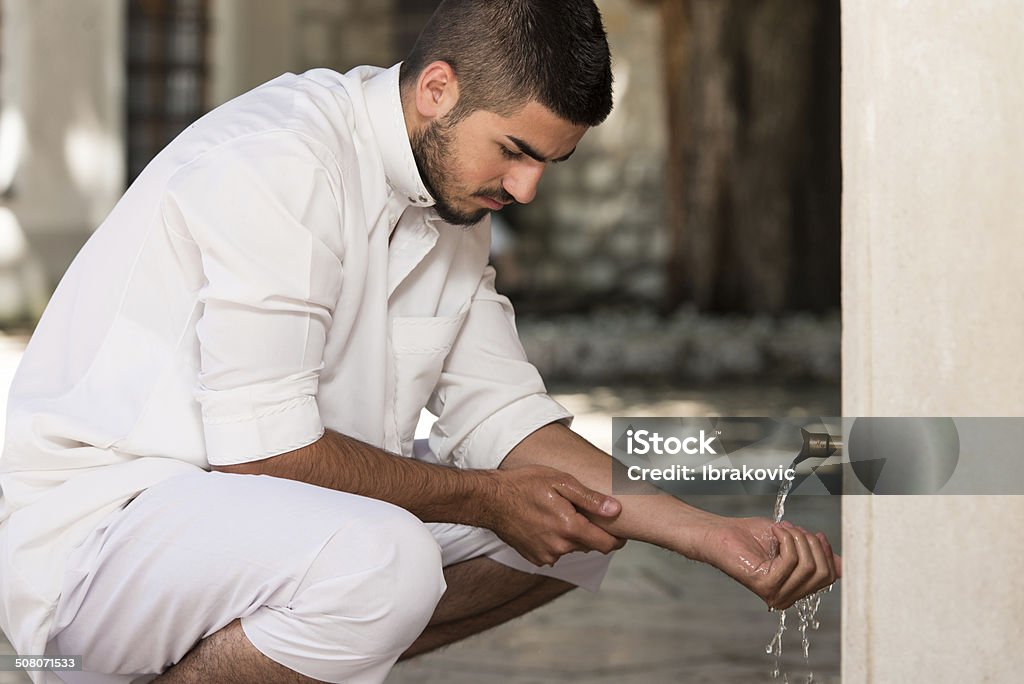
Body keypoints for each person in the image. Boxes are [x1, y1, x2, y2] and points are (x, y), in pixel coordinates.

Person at [0, 1, 840, 682]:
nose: (528, 188)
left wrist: (710, 534)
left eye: (549, 163)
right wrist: (482, 498)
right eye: (515, 152)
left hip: (244, 530)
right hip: (101, 540)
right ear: (437, 88)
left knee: (579, 530)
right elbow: (264, 453)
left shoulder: (451, 203)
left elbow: (513, 425)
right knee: (387, 558)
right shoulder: (281, 160)